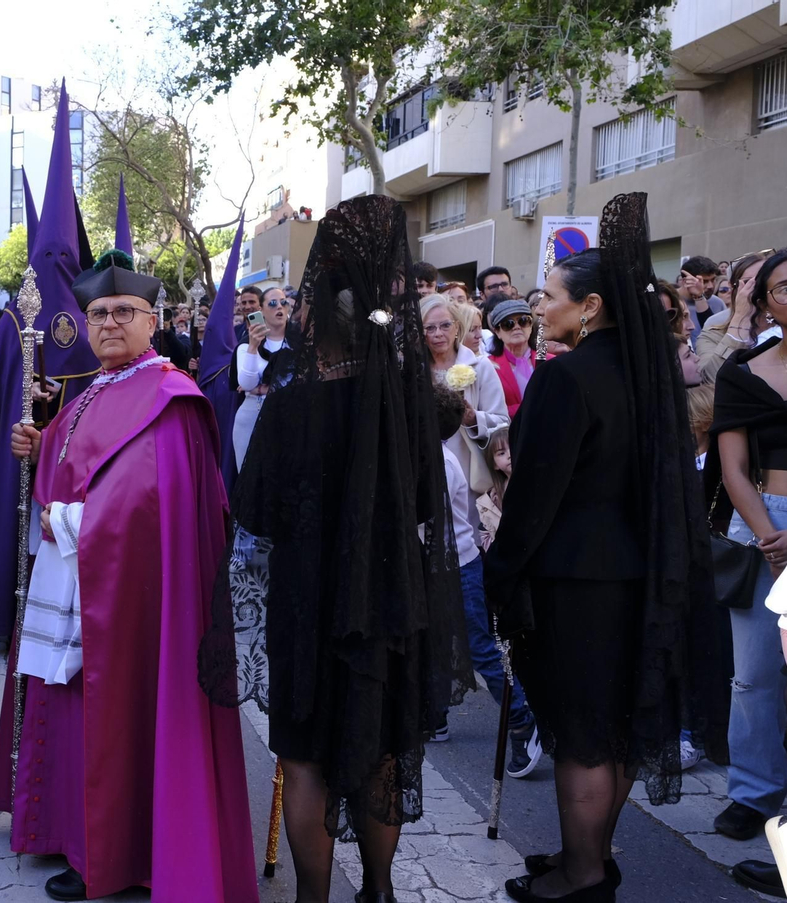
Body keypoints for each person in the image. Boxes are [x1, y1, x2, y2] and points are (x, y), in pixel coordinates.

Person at [0, 249, 257, 902]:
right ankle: (75, 831)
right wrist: (41, 439)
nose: (108, 323)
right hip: (77, 582)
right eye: (98, 313)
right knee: (78, 707)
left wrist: (69, 519)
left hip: (139, 599)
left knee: (128, 718)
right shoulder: (91, 393)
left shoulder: (172, 398)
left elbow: (150, 496)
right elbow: (81, 460)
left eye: (123, 312)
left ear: (151, 319)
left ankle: (127, 854)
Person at [485, 194, 723, 901]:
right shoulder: (646, 374)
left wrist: (504, 565)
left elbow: (538, 492)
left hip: (577, 579)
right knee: (617, 721)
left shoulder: (567, 375)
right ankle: (584, 852)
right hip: (639, 569)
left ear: (589, 306)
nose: (541, 307)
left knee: (582, 728)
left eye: (549, 297)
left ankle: (584, 870)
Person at [231, 196, 468, 903]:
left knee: (303, 757)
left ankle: (312, 895)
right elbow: (432, 502)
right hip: (390, 598)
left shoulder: (290, 404)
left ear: (313, 315)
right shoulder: (412, 401)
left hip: (307, 601)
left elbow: (256, 512)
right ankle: (381, 888)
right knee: (380, 752)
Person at [709, 247, 787, 844]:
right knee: (753, 675)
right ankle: (753, 793)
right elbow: (733, 466)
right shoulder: (742, 372)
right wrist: (774, 536)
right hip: (761, 526)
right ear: (765, 301)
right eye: (786, 288)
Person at [434, 386, 541, 779]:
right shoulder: (426, 456)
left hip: (458, 568)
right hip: (437, 569)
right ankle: (436, 713)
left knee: (480, 649)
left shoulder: (437, 464)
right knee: (434, 640)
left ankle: (521, 720)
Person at [421, 293, 508, 534]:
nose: (438, 333)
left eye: (445, 325)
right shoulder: (415, 371)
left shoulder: (480, 367)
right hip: (425, 468)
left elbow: (502, 423)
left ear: (457, 327)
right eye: (429, 327)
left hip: (468, 471)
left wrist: (473, 419)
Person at [232, 285, 292, 469]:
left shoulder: (299, 343)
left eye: (283, 302)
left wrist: (268, 387)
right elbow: (246, 383)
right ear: (262, 310)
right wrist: (252, 347)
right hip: (252, 415)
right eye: (272, 303)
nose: (279, 307)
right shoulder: (246, 345)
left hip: (289, 416)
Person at [697, 252, 772, 385]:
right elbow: (711, 378)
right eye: (749, 282)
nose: (759, 288)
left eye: (764, 280)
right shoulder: (713, 331)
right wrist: (741, 319)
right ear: (734, 289)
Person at [486, 296, 536, 416]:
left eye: (523, 321)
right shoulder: (488, 366)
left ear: (530, 326)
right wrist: (533, 408)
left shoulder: (550, 360)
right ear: (497, 332)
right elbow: (489, 410)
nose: (517, 327)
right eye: (508, 324)